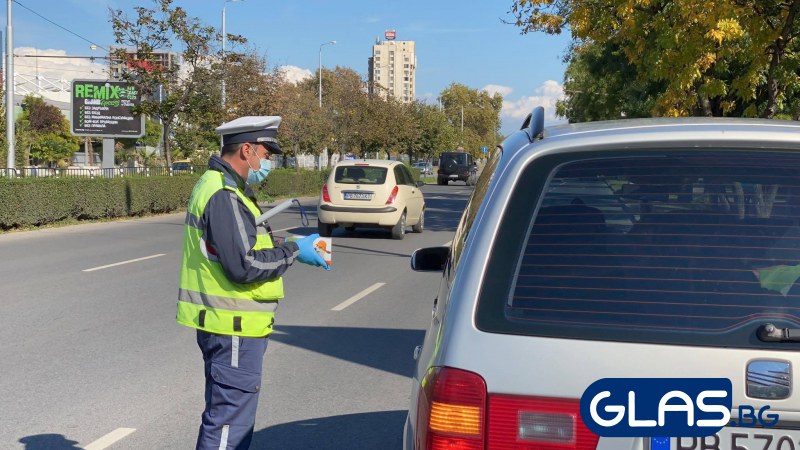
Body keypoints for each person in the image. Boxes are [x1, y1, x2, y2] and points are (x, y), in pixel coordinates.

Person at [176, 116, 329, 450]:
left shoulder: (220, 186)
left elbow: (239, 250)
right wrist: (293, 251)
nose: (268, 161)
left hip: (230, 323)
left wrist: (283, 249)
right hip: (233, 326)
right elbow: (244, 265)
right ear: (246, 150)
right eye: (266, 152)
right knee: (229, 424)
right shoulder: (224, 195)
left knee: (227, 417)